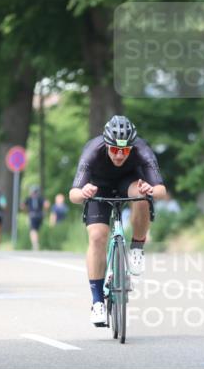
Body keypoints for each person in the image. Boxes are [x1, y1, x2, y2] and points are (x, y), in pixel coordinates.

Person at [69, 115, 167, 327]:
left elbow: (161, 189)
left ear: (132, 146)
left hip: (130, 182)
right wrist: (84, 191)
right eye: (114, 149)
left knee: (141, 197)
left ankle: (137, 248)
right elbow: (73, 194)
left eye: (125, 150)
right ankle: (97, 302)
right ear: (106, 144)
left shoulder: (142, 149)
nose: (120, 154)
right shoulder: (92, 150)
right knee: (97, 237)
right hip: (98, 187)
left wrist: (150, 190)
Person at [24, 186, 46, 251]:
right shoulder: (41, 198)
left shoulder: (29, 198)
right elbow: (46, 205)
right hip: (40, 216)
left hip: (32, 216)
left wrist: (27, 212)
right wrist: (44, 212)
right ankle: (36, 243)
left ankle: (35, 244)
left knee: (33, 230)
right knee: (36, 230)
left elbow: (22, 206)